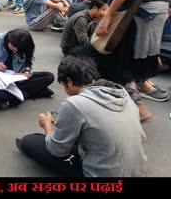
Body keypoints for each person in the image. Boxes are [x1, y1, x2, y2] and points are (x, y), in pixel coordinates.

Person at [16, 56, 147, 177]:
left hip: (102, 174)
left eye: (63, 84)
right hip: (135, 169)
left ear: (69, 81)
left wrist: (47, 125)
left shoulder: (74, 104)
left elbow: (57, 150)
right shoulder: (121, 92)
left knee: (30, 141)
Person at [95, 0, 170, 121]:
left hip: (140, 8)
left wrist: (108, 14)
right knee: (142, 57)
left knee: (121, 61)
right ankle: (140, 91)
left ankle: (138, 107)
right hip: (160, 7)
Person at [0, 29, 55, 109]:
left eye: (19, 51)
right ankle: (31, 92)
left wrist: (26, 72)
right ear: (9, 39)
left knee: (48, 77)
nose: (15, 52)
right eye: (13, 49)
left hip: (14, 78)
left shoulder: (25, 46)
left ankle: (14, 98)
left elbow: (27, 63)